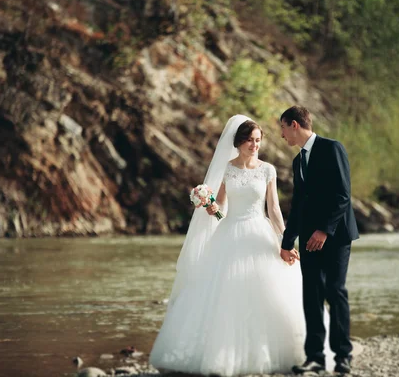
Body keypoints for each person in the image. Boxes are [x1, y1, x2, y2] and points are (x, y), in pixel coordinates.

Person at [149, 115, 312, 376]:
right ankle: (221, 354)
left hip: (259, 233)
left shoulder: (268, 170)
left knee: (269, 291)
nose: (254, 145)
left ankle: (277, 351)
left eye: (258, 141)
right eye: (249, 140)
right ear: (238, 142)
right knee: (222, 294)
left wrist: (285, 240)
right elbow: (221, 207)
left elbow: (274, 210)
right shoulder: (228, 168)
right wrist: (210, 206)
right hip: (229, 234)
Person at [279, 105, 359, 375]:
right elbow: (299, 204)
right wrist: (287, 242)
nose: (281, 136)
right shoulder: (298, 160)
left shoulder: (332, 148)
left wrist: (324, 230)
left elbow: (343, 195)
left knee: (335, 291)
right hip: (308, 239)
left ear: (294, 125)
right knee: (311, 296)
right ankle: (315, 358)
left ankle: (343, 357)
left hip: (336, 236)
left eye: (282, 128)